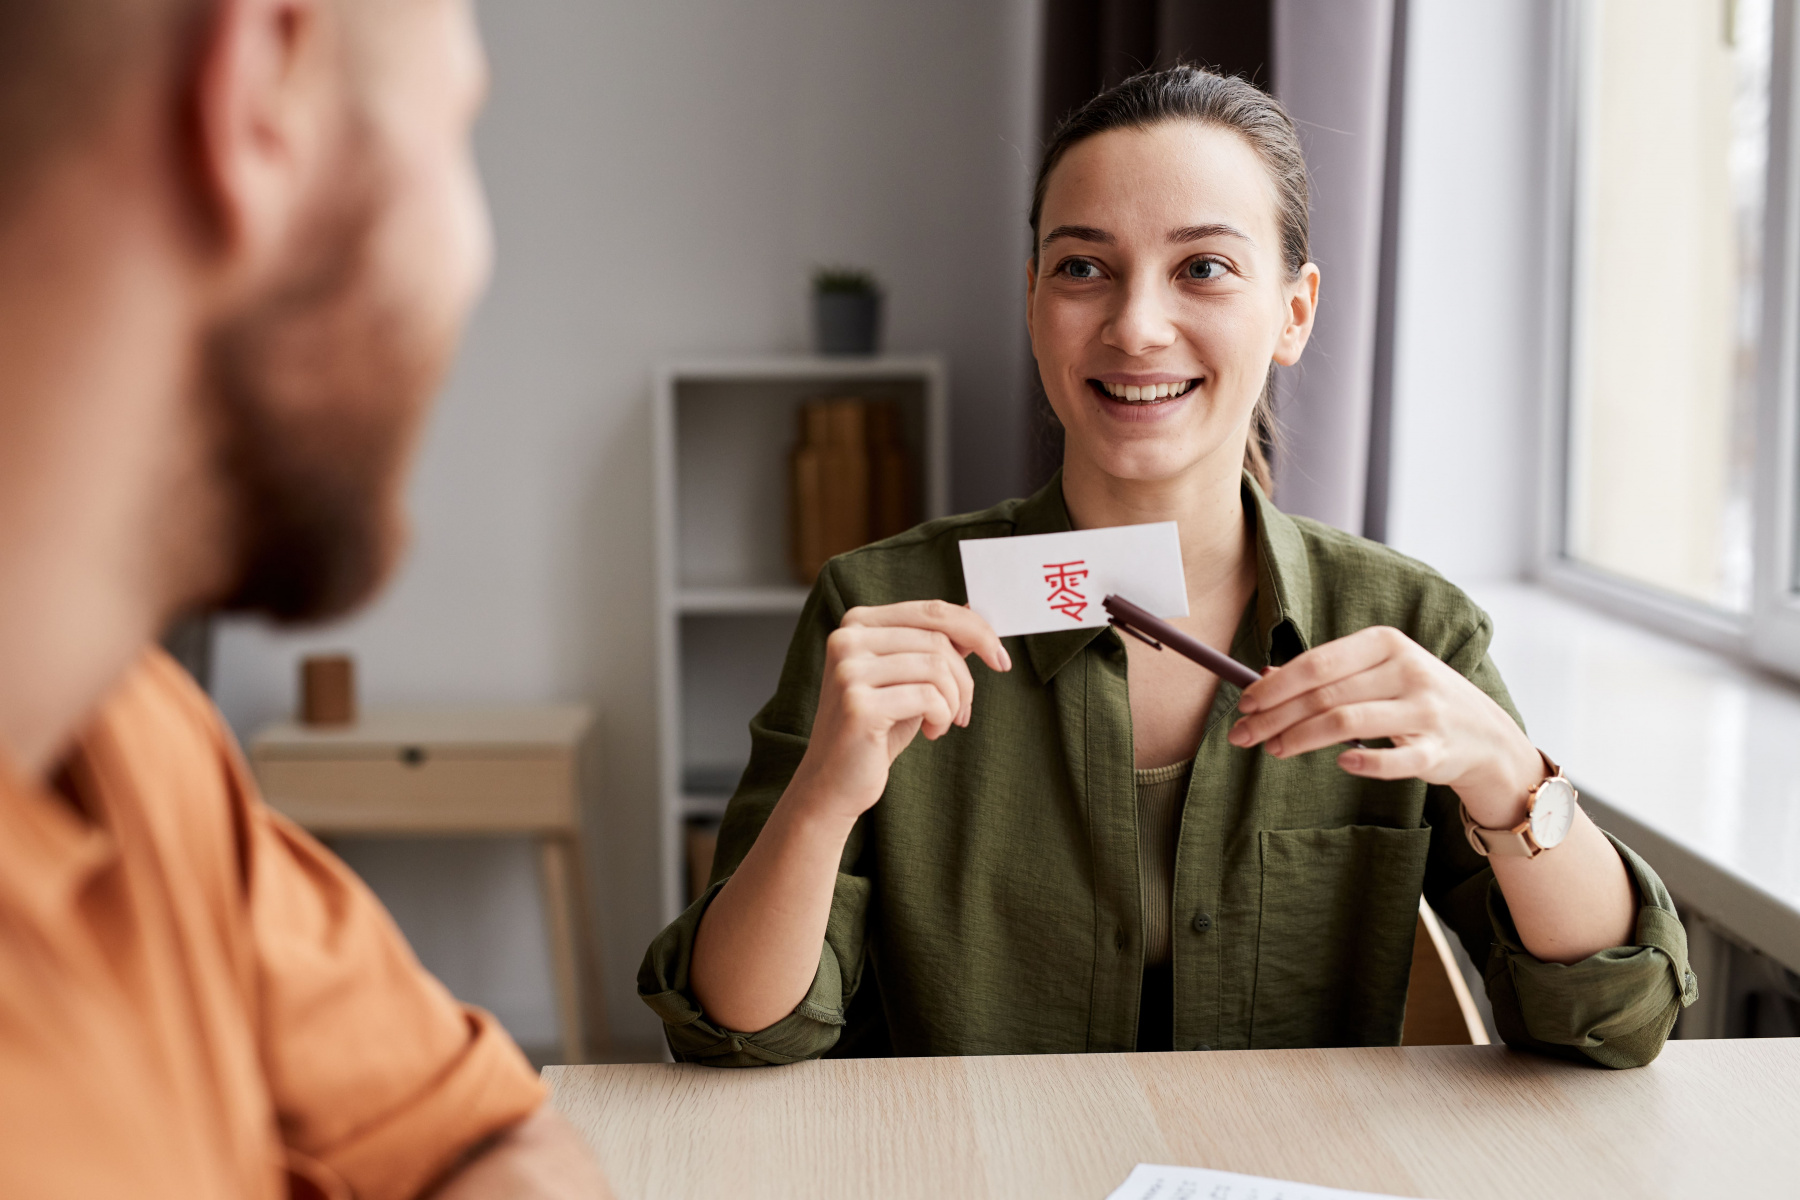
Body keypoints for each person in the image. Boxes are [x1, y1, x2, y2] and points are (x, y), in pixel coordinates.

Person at [641, 66, 1696, 1066]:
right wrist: (824, 795)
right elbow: (734, 1028)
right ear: (1034, 301)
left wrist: (1510, 779)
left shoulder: (1405, 623)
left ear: (1293, 311)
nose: (1137, 326)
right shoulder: (879, 608)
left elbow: (1617, 1015)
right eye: (1084, 268)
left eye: (1204, 267)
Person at [0, 1, 611, 1195]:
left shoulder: (137, 744)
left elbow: (492, 1138)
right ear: (261, 96)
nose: (472, 259)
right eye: (459, 125)